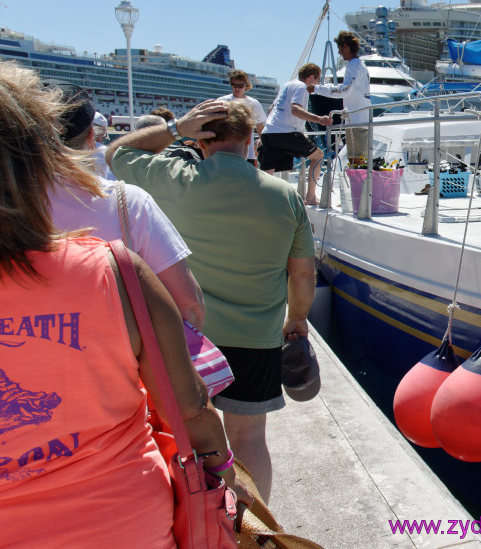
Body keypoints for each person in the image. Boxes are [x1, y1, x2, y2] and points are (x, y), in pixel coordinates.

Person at [0, 61, 250, 546]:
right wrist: (225, 474)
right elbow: (191, 406)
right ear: (40, 159)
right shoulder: (114, 270)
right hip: (124, 521)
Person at [107, 99, 318, 503]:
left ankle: (201, 522)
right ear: (251, 139)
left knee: (187, 435)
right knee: (250, 438)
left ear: (201, 140)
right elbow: (303, 272)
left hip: (186, 339)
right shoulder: (283, 195)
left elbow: (117, 153)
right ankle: (251, 528)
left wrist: (175, 130)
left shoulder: (174, 177)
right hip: (256, 338)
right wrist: (298, 318)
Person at [53, 91, 206, 328]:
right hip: (115, 353)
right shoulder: (127, 201)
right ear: (93, 136)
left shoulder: (12, 204)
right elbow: (190, 305)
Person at [259, 63, 342, 204]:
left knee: (268, 170)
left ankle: (261, 201)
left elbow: (271, 109)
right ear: (311, 77)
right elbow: (295, 110)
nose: (317, 84)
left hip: (269, 132)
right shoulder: (302, 87)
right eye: (317, 80)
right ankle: (310, 197)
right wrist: (319, 119)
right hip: (285, 132)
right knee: (319, 156)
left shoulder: (286, 85)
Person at [334, 30, 370, 163]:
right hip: (361, 118)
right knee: (360, 158)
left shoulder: (353, 65)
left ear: (346, 47)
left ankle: (358, 184)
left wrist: (317, 89)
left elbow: (345, 89)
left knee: (355, 158)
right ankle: (361, 184)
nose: (339, 53)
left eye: (340, 49)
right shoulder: (361, 64)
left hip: (355, 120)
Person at [218, 69, 267, 166]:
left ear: (246, 85)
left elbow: (260, 127)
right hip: (225, 151)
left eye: (240, 86)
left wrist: (264, 144)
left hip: (248, 154)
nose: (237, 88)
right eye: (234, 85)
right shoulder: (222, 101)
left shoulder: (253, 103)